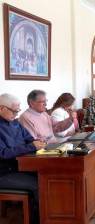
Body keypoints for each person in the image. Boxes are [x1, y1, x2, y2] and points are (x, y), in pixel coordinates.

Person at [0, 93, 45, 224]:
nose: (17, 114)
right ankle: (39, 220)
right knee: (40, 185)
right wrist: (31, 146)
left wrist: (37, 142)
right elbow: (3, 153)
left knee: (48, 176)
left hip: (21, 166)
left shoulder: (15, 123)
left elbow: (29, 139)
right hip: (4, 172)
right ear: (2, 108)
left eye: (18, 110)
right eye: (14, 111)